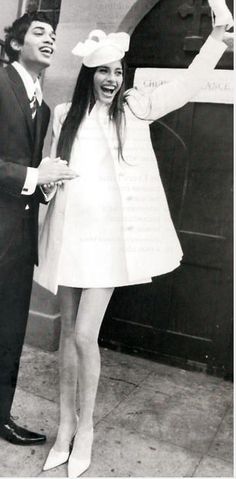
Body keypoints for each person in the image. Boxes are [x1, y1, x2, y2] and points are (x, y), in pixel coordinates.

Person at [35, 0, 233, 476]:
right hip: (69, 235)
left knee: (85, 335)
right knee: (66, 337)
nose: (112, 79)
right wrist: (47, 181)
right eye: (103, 72)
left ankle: (87, 430)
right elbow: (52, 174)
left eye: (118, 71)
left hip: (106, 242)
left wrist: (215, 42)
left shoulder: (133, 108)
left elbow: (185, 88)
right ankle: (63, 427)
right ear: (89, 75)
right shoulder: (65, 114)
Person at [0, 11, 77, 446]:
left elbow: (33, 174)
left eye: (53, 34)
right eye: (38, 32)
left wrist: (48, 185)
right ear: (14, 45)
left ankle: (1, 415)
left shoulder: (44, 109)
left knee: (9, 334)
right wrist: (33, 176)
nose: (50, 39)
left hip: (18, 243)